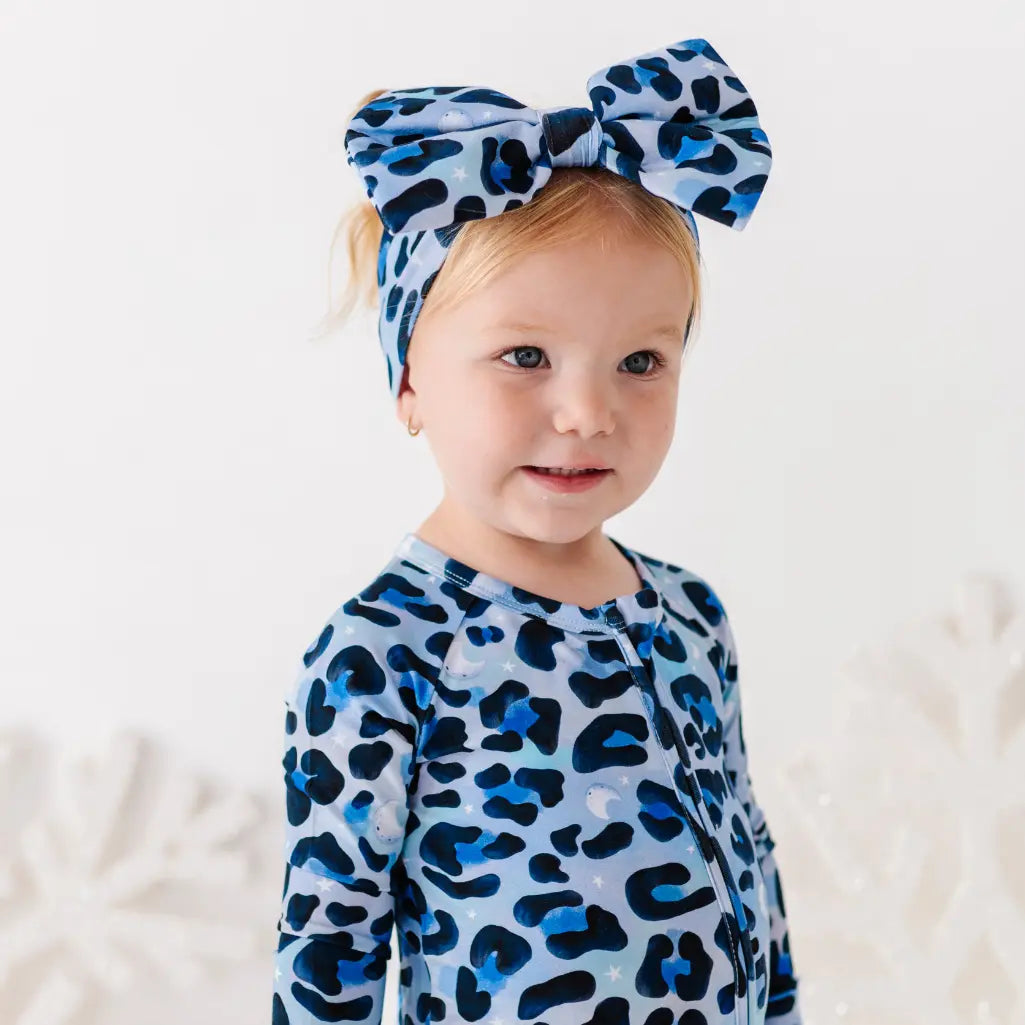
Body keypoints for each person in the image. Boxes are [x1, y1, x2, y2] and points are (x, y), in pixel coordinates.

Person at [272, 36, 803, 1025]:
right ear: (408, 380)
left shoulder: (688, 615)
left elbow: (753, 891)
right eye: (524, 354)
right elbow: (328, 950)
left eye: (639, 362)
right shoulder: (380, 655)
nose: (584, 412)